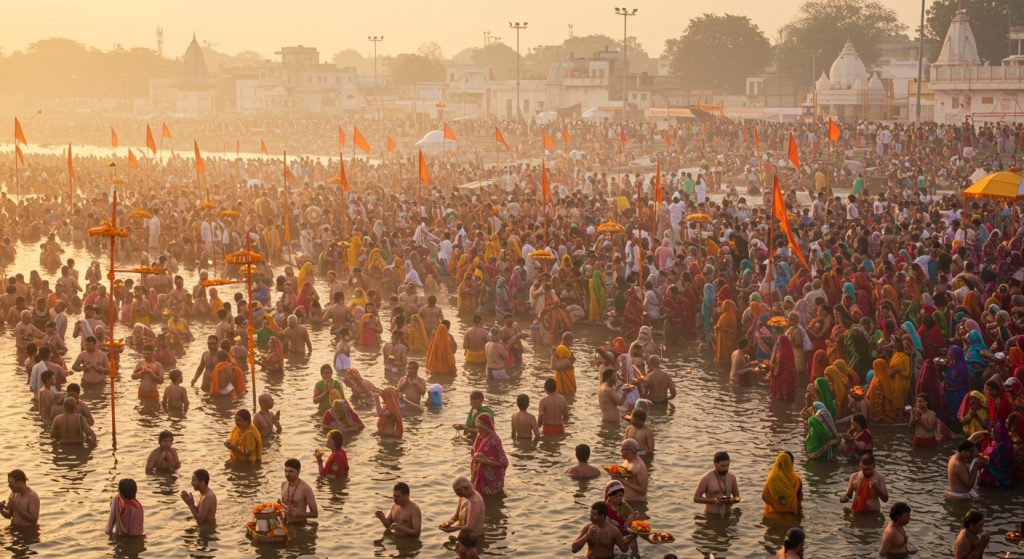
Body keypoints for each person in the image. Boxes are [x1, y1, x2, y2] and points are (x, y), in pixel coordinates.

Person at [570, 501, 634, 558]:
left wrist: (632, 536)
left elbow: (624, 549)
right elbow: (574, 549)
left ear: (602, 516)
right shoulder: (587, 528)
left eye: (594, 515)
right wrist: (588, 535)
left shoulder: (613, 531)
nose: (590, 518)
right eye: (590, 514)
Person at [470, 412, 508, 496]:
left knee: (491, 497)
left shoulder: (495, 440)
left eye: (481, 428)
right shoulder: (480, 436)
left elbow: (504, 462)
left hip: (492, 478)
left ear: (486, 427)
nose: (479, 431)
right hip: (479, 474)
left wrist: (486, 461)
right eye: (478, 428)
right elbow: (474, 451)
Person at [693, 451, 740, 515]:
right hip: (711, 516)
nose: (726, 468)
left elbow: (738, 498)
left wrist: (731, 500)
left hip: (727, 516)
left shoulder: (732, 478)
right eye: (722, 466)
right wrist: (713, 500)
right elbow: (696, 498)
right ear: (715, 464)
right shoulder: (706, 478)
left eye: (727, 465)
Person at [762, 451, 802, 518]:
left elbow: (764, 496)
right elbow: (799, 501)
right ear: (791, 463)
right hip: (790, 518)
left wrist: (778, 508)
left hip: (771, 517)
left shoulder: (772, 479)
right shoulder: (797, 480)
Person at [280, 458, 318, 523]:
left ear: (298, 472)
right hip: (285, 523)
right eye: (286, 471)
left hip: (300, 525)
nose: (287, 474)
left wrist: (298, 515)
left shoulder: (305, 489)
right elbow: (283, 507)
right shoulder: (283, 484)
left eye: (291, 471)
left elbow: (315, 514)